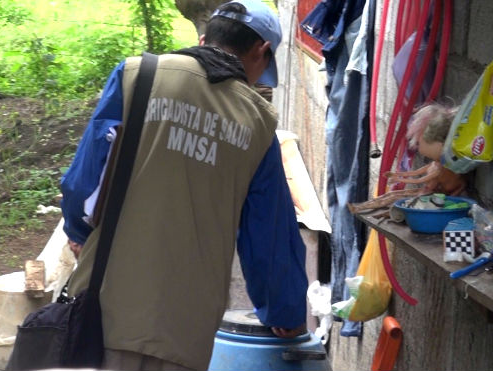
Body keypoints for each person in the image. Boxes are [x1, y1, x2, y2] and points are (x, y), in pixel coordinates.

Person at [59, 1, 308, 370]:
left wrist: (78, 231)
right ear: (262, 51)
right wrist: (284, 311)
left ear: (205, 39)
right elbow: (268, 238)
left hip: (103, 311)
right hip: (185, 331)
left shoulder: (136, 75)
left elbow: (84, 178)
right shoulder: (258, 124)